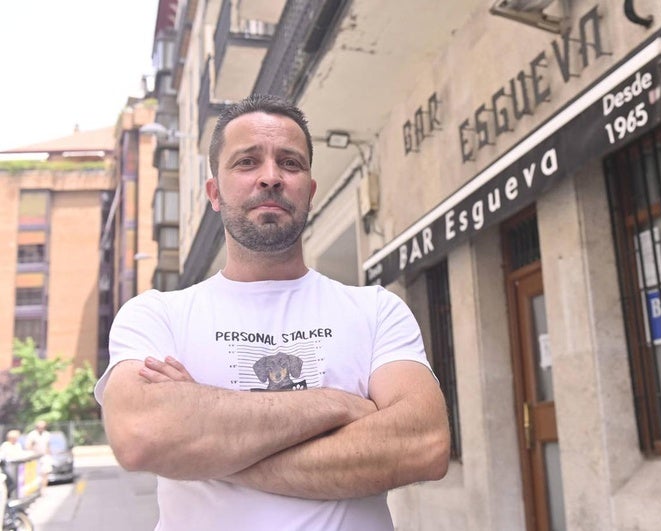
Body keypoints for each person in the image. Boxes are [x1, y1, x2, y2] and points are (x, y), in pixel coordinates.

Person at [95, 94, 451, 530]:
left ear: (310, 191)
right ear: (214, 192)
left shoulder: (376, 310)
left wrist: (207, 446)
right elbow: (141, 434)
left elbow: (424, 444)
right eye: (246, 162)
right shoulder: (157, 315)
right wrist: (338, 404)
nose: (270, 177)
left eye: (290, 163)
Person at [24, 420, 52, 490]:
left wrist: (49, 454)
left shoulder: (47, 434)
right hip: (35, 457)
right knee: (36, 474)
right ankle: (36, 489)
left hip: (44, 456)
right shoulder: (32, 435)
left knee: (45, 473)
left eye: (43, 427)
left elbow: (48, 446)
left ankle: (43, 489)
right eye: (39, 427)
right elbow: (28, 446)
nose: (41, 429)